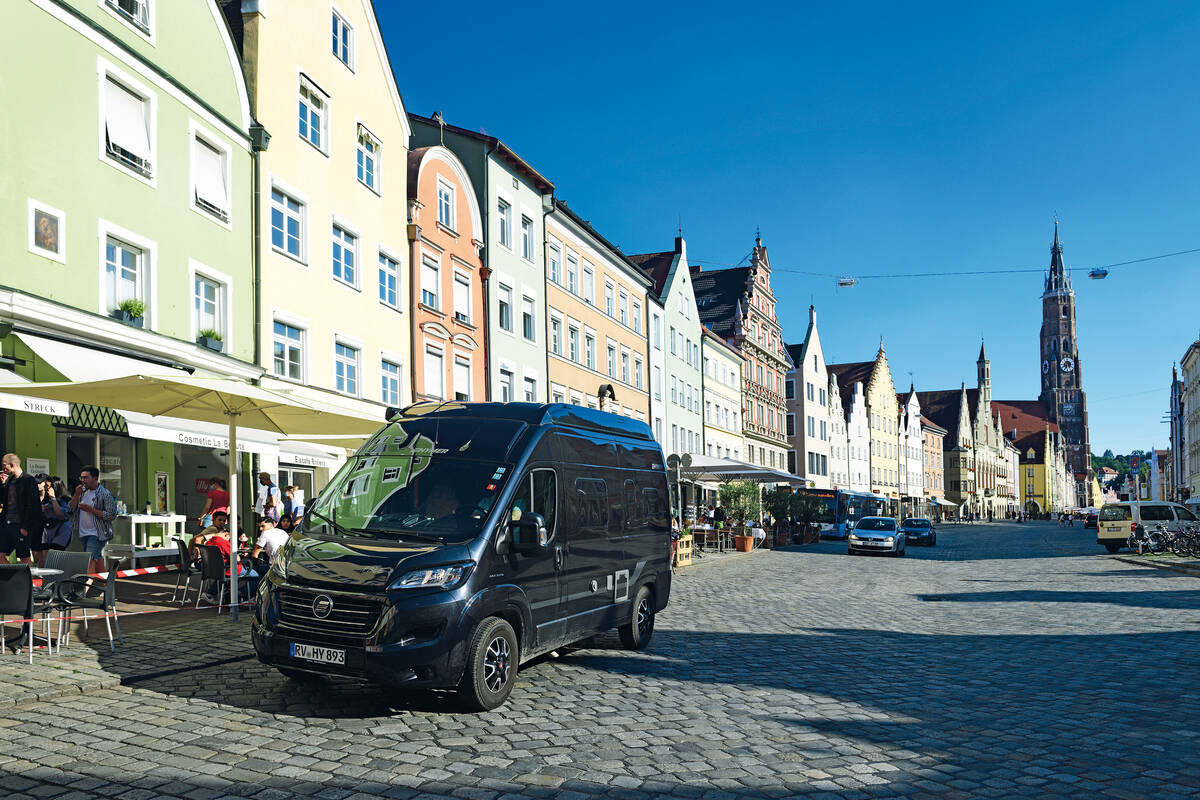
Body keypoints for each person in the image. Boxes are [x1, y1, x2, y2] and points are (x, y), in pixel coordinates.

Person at [69, 465, 117, 576]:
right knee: (97, 559)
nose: (83, 480)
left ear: (95, 478)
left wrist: (91, 510)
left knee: (89, 560)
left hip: (98, 533)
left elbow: (111, 515)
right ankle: (108, 587)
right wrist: (76, 494)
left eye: (86, 477)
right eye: (81, 478)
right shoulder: (81, 492)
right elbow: (70, 508)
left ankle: (85, 590)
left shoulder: (104, 494)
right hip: (83, 532)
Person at [1, 454, 43, 566]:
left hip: (20, 524)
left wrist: (26, 526)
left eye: (4, 466)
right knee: (1, 554)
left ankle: (30, 582)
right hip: (7, 523)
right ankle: (12, 578)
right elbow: (6, 502)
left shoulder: (28, 480)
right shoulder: (10, 481)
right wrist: (3, 485)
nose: (3, 469)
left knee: (24, 557)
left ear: (12, 464)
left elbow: (32, 505)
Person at [37, 477, 72, 567]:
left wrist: (53, 498)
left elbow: (59, 513)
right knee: (44, 558)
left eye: (48, 486)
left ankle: (57, 579)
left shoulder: (65, 500)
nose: (46, 488)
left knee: (54, 558)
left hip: (61, 530)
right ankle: (44, 579)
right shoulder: (46, 499)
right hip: (47, 529)